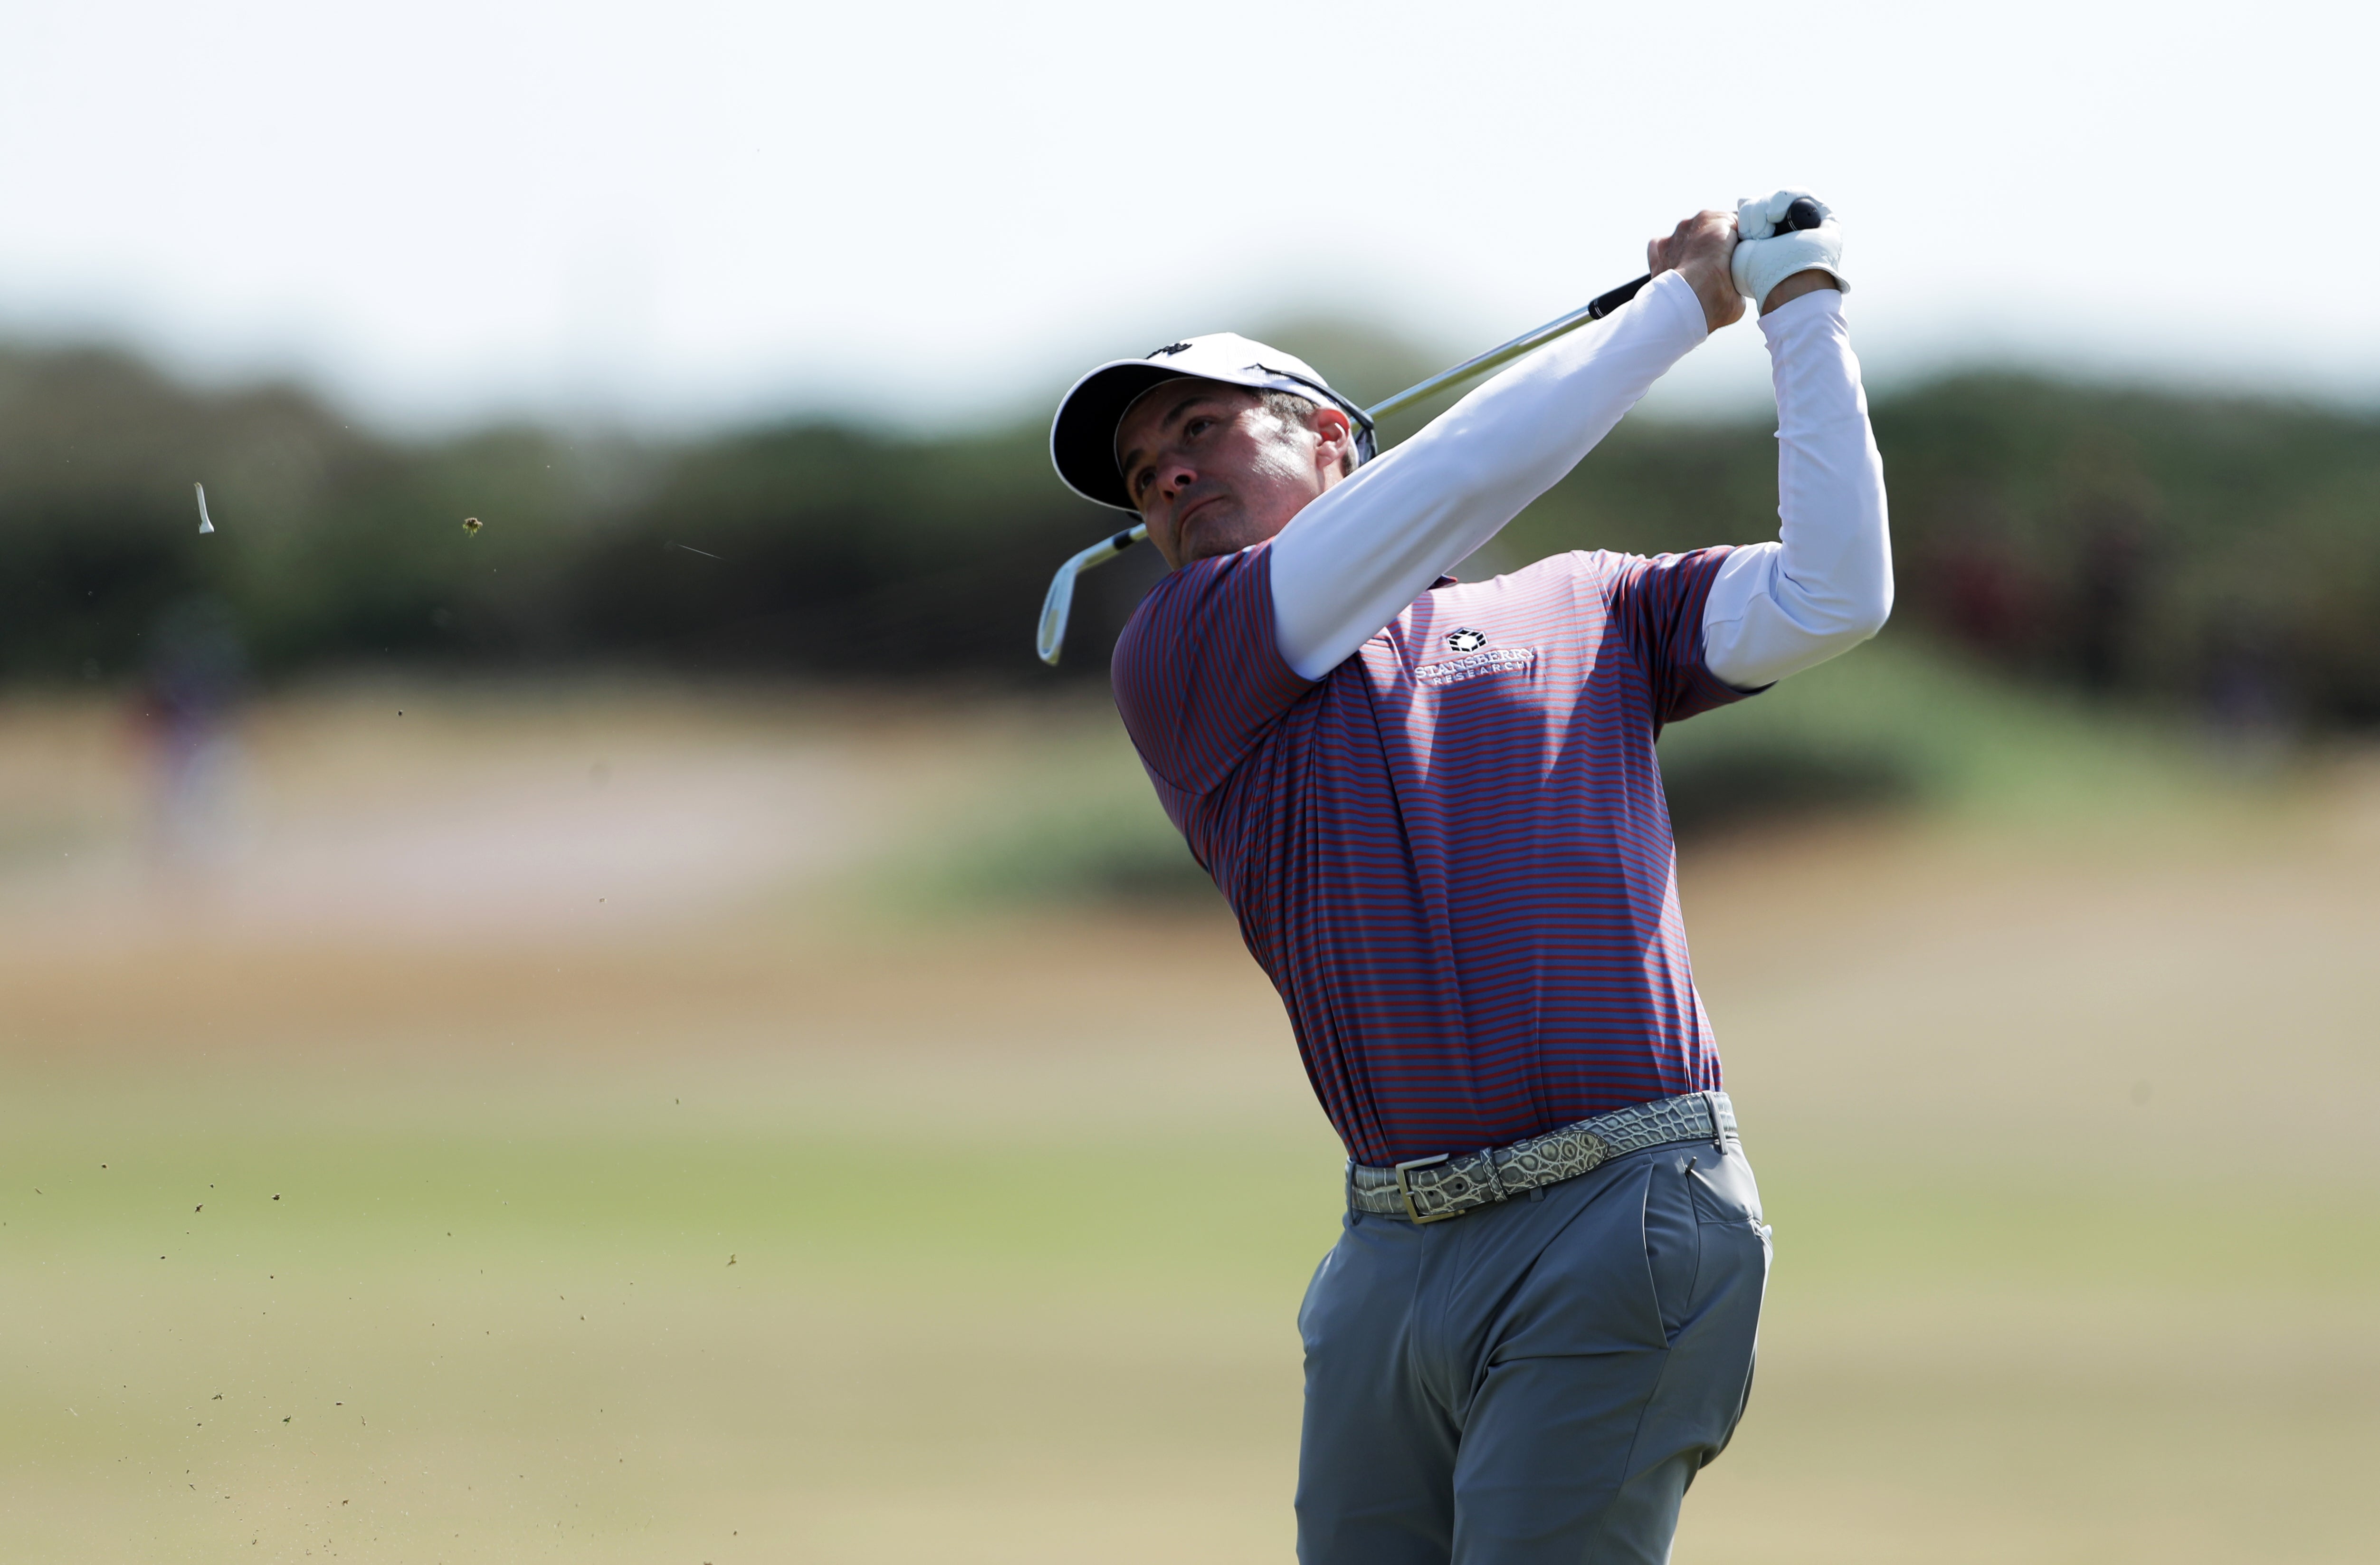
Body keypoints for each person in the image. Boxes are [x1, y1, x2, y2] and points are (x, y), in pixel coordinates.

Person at [1047, 192, 1890, 1565]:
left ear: (1329, 437)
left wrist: (1800, 309)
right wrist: (1685, 305)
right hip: (1387, 1257)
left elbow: (1831, 595)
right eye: (1143, 476)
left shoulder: (1588, 607)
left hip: (1619, 1213)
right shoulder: (1185, 655)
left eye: (1199, 431)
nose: (1169, 480)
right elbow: (1448, 482)